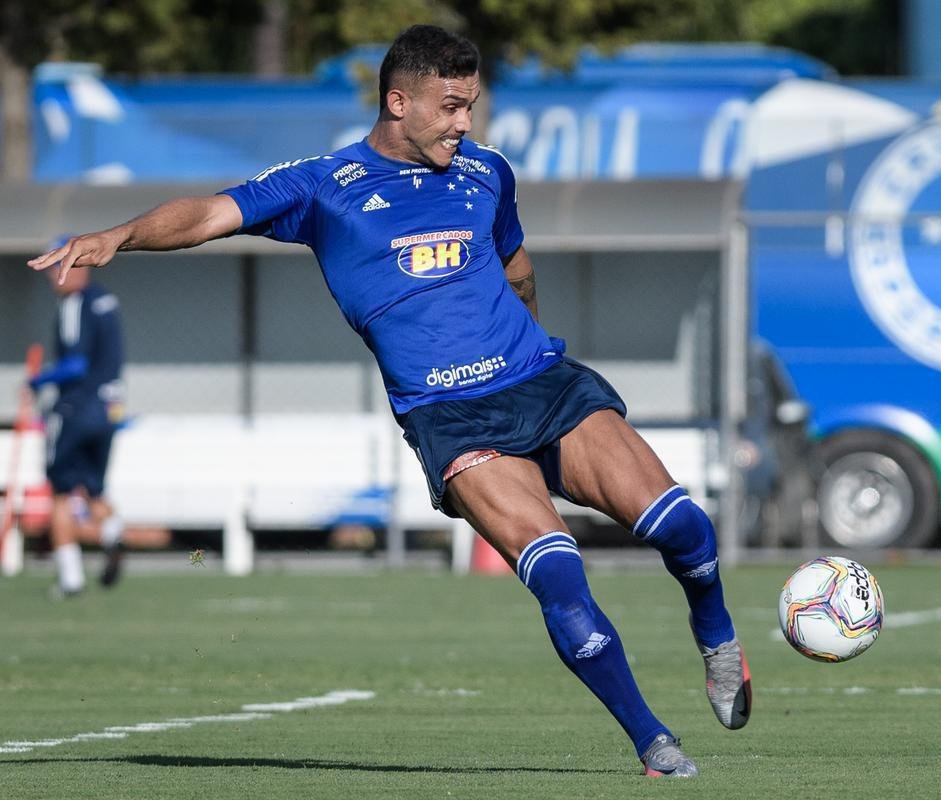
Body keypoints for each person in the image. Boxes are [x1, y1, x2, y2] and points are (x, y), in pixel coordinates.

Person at [27, 25, 748, 776]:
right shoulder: (324, 186)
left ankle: (716, 633)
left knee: (683, 525)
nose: (465, 123)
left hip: (540, 381)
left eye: (470, 105)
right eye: (451, 106)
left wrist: (533, 336)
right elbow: (208, 214)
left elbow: (517, 265)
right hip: (450, 416)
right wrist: (119, 236)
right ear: (399, 102)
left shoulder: (487, 172)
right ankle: (653, 741)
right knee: (559, 576)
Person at [28, 238, 126, 597]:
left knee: (60, 492)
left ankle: (71, 580)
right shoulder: (106, 300)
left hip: (75, 408)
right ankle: (113, 534)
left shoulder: (75, 303)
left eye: (56, 266)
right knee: (94, 489)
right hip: (109, 409)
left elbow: (76, 364)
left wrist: (37, 381)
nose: (52, 276)